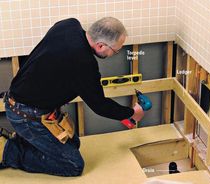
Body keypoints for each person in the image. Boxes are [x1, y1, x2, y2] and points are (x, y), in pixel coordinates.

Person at [0, 17, 144, 176]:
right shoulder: (84, 63)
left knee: (74, 144)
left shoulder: (69, 25)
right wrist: (132, 113)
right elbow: (100, 105)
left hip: (27, 103)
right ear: (101, 45)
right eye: (115, 51)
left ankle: (23, 141)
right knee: (73, 165)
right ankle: (6, 151)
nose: (113, 54)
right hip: (27, 115)